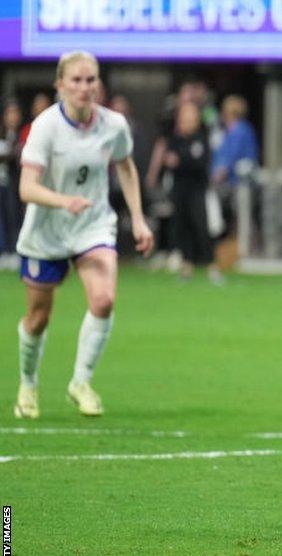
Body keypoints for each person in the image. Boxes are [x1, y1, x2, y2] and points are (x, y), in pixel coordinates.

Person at [14, 51, 154, 420]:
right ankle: (28, 384)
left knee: (104, 300)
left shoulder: (114, 125)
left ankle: (81, 381)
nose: (84, 87)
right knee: (38, 319)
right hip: (46, 230)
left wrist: (138, 219)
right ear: (60, 84)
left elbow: (125, 166)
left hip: (92, 226)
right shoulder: (45, 127)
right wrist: (62, 201)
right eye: (75, 80)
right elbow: (26, 188)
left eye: (90, 79)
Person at [165, 101, 221, 284]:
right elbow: (170, 161)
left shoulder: (201, 138)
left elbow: (199, 163)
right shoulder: (175, 139)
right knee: (182, 227)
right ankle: (186, 266)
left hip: (197, 190)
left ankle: (212, 266)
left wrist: (181, 160)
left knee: (201, 227)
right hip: (179, 190)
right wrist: (180, 160)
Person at [1, 100, 24, 256]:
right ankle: (4, 250)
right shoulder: (2, 133)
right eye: (10, 113)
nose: (13, 117)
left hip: (15, 183)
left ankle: (15, 250)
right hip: (1, 182)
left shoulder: (23, 133)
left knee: (14, 216)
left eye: (15, 113)